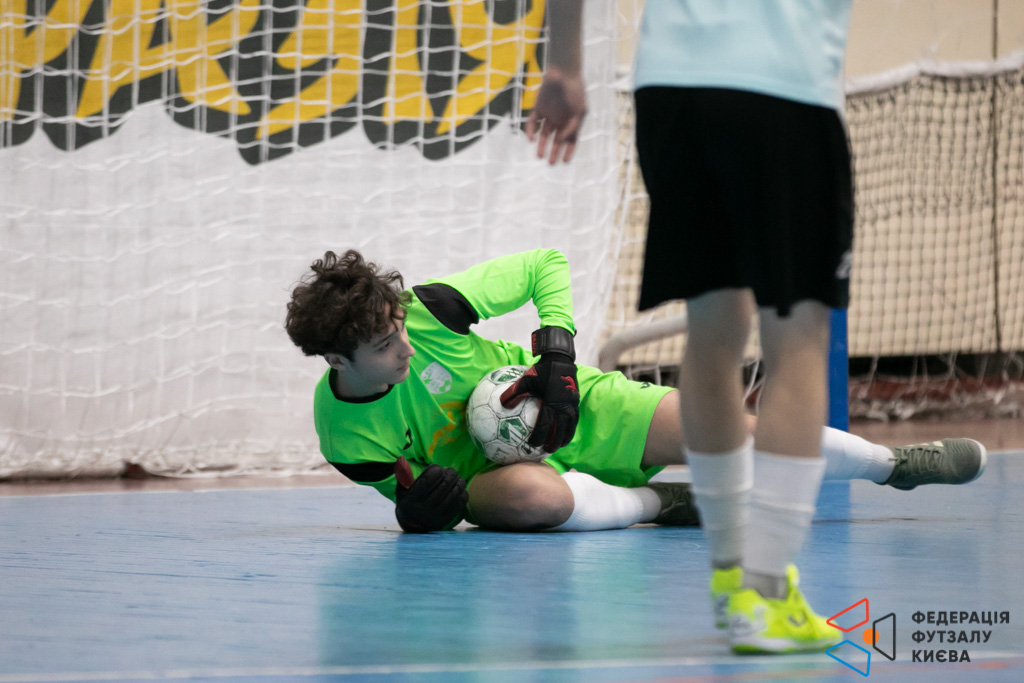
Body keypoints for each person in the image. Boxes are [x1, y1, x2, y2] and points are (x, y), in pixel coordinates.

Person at [526, 0, 981, 655]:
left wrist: (564, 65)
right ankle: (765, 589)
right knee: (797, 340)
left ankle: (733, 579)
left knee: (713, 333)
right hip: (782, 87)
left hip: (671, 91)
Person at [284, 249, 985, 540]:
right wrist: (417, 512)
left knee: (729, 432)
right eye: (386, 347)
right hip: (499, 477)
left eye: (401, 330)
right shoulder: (344, 433)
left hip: (573, 405)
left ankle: (894, 465)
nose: (406, 347)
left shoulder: (430, 310)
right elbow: (413, 497)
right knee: (537, 501)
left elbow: (544, 264)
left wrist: (556, 354)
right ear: (338, 359)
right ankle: (663, 503)